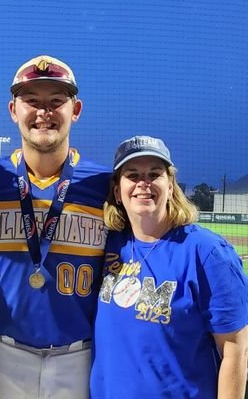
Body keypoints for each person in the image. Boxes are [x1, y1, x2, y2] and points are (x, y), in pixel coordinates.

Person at [0, 55, 111, 398]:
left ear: (76, 109)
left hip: (79, 357)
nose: (44, 111)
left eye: (56, 101)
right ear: (13, 110)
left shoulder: (106, 186)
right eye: (31, 101)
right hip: (1, 353)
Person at [90, 135, 248, 399]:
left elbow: (235, 349)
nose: (144, 183)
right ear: (117, 190)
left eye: (154, 174)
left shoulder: (206, 252)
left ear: (171, 184)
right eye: (132, 175)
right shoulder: (109, 244)